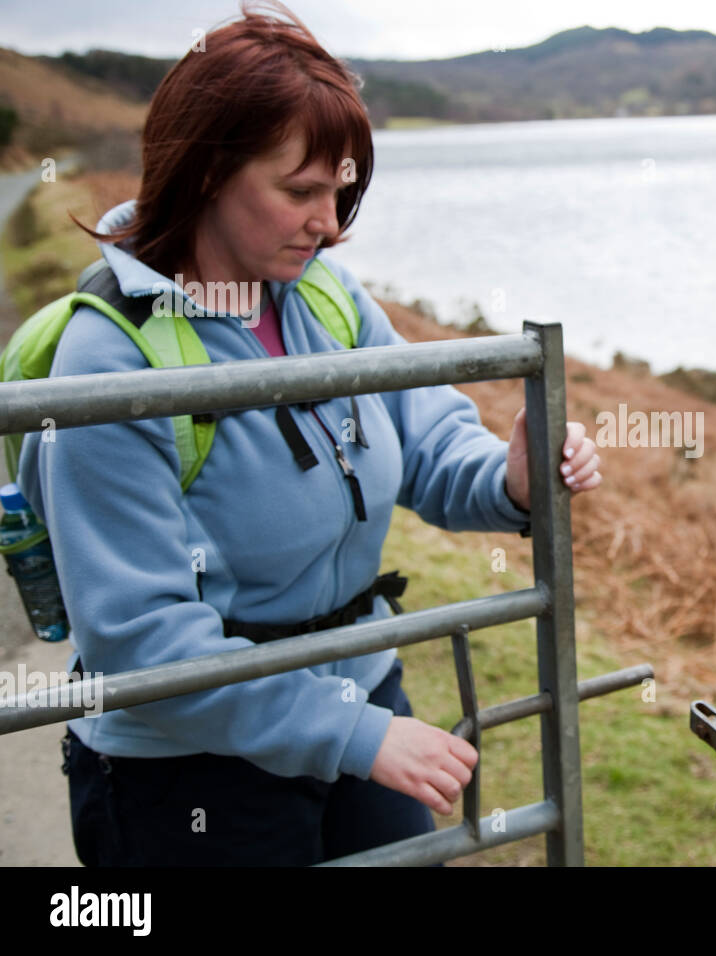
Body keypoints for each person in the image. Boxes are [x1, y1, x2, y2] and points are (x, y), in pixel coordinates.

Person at [15, 0, 602, 866]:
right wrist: (356, 736)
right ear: (208, 171)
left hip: (357, 697)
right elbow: (143, 640)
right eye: (301, 191)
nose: (329, 223)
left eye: (341, 190)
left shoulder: (324, 294)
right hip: (190, 776)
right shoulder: (111, 363)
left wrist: (508, 480)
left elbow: (426, 437)